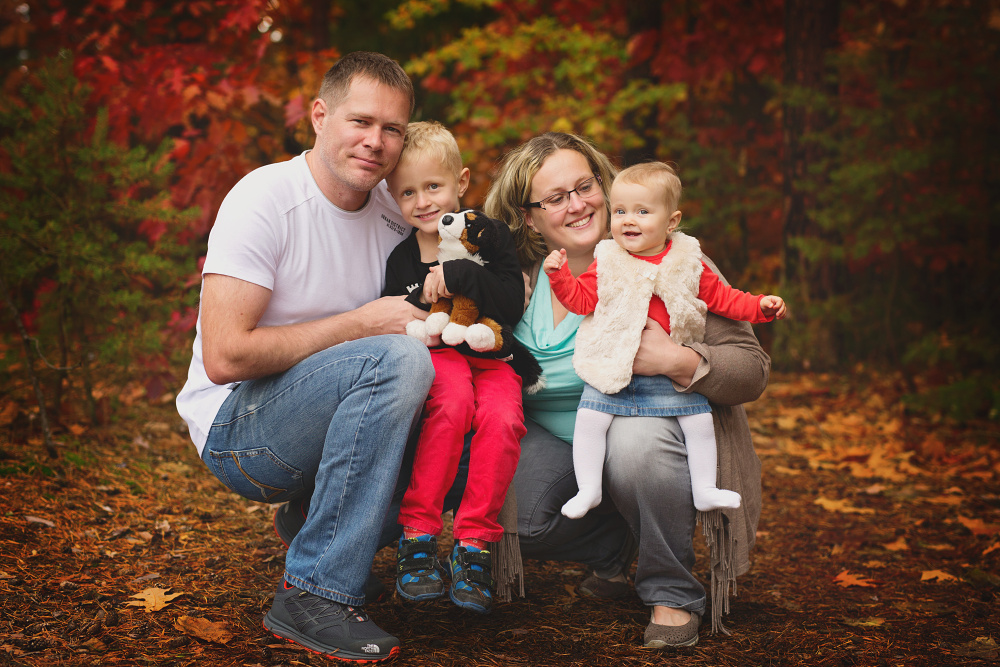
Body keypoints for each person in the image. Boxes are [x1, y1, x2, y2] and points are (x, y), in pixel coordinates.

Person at [175, 52, 432, 663]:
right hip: (239, 431)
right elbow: (225, 356)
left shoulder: (397, 214)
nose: (376, 142)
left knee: (467, 407)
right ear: (320, 116)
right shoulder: (265, 198)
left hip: (335, 413)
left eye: (392, 129)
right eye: (360, 121)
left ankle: (314, 523)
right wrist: (361, 324)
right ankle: (314, 592)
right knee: (397, 361)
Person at [482, 133, 770, 648]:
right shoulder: (518, 277)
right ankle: (615, 541)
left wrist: (681, 361)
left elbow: (752, 369)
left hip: (652, 431)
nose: (577, 205)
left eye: (584, 186)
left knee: (637, 448)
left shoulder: (675, 259)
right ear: (529, 218)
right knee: (519, 520)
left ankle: (671, 592)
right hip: (561, 445)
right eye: (555, 198)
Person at [542, 161, 785, 520]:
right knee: (590, 419)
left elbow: (724, 298)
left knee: (699, 423)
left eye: (642, 212)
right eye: (620, 211)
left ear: (672, 222)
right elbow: (581, 301)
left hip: (667, 375)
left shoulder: (688, 262)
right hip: (615, 365)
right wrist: (560, 276)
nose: (628, 220)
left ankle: (704, 489)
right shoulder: (608, 261)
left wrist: (759, 306)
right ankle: (588, 489)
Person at [381, 121, 526, 614]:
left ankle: (473, 544)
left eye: (433, 186)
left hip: (492, 353)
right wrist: (424, 298)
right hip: (439, 355)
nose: (422, 201)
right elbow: (399, 318)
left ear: (461, 182)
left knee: (503, 418)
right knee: (452, 404)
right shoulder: (402, 259)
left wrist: (460, 273)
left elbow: (510, 303)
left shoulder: (490, 238)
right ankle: (419, 536)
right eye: (407, 192)